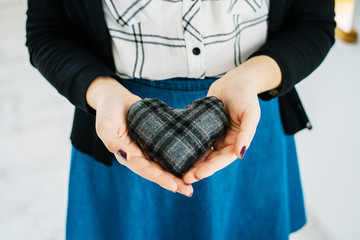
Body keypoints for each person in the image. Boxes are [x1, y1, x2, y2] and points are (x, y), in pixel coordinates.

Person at [26, 0, 335, 239]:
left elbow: (314, 22)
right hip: (120, 127)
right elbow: (47, 31)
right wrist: (103, 93)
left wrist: (248, 81)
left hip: (247, 121)